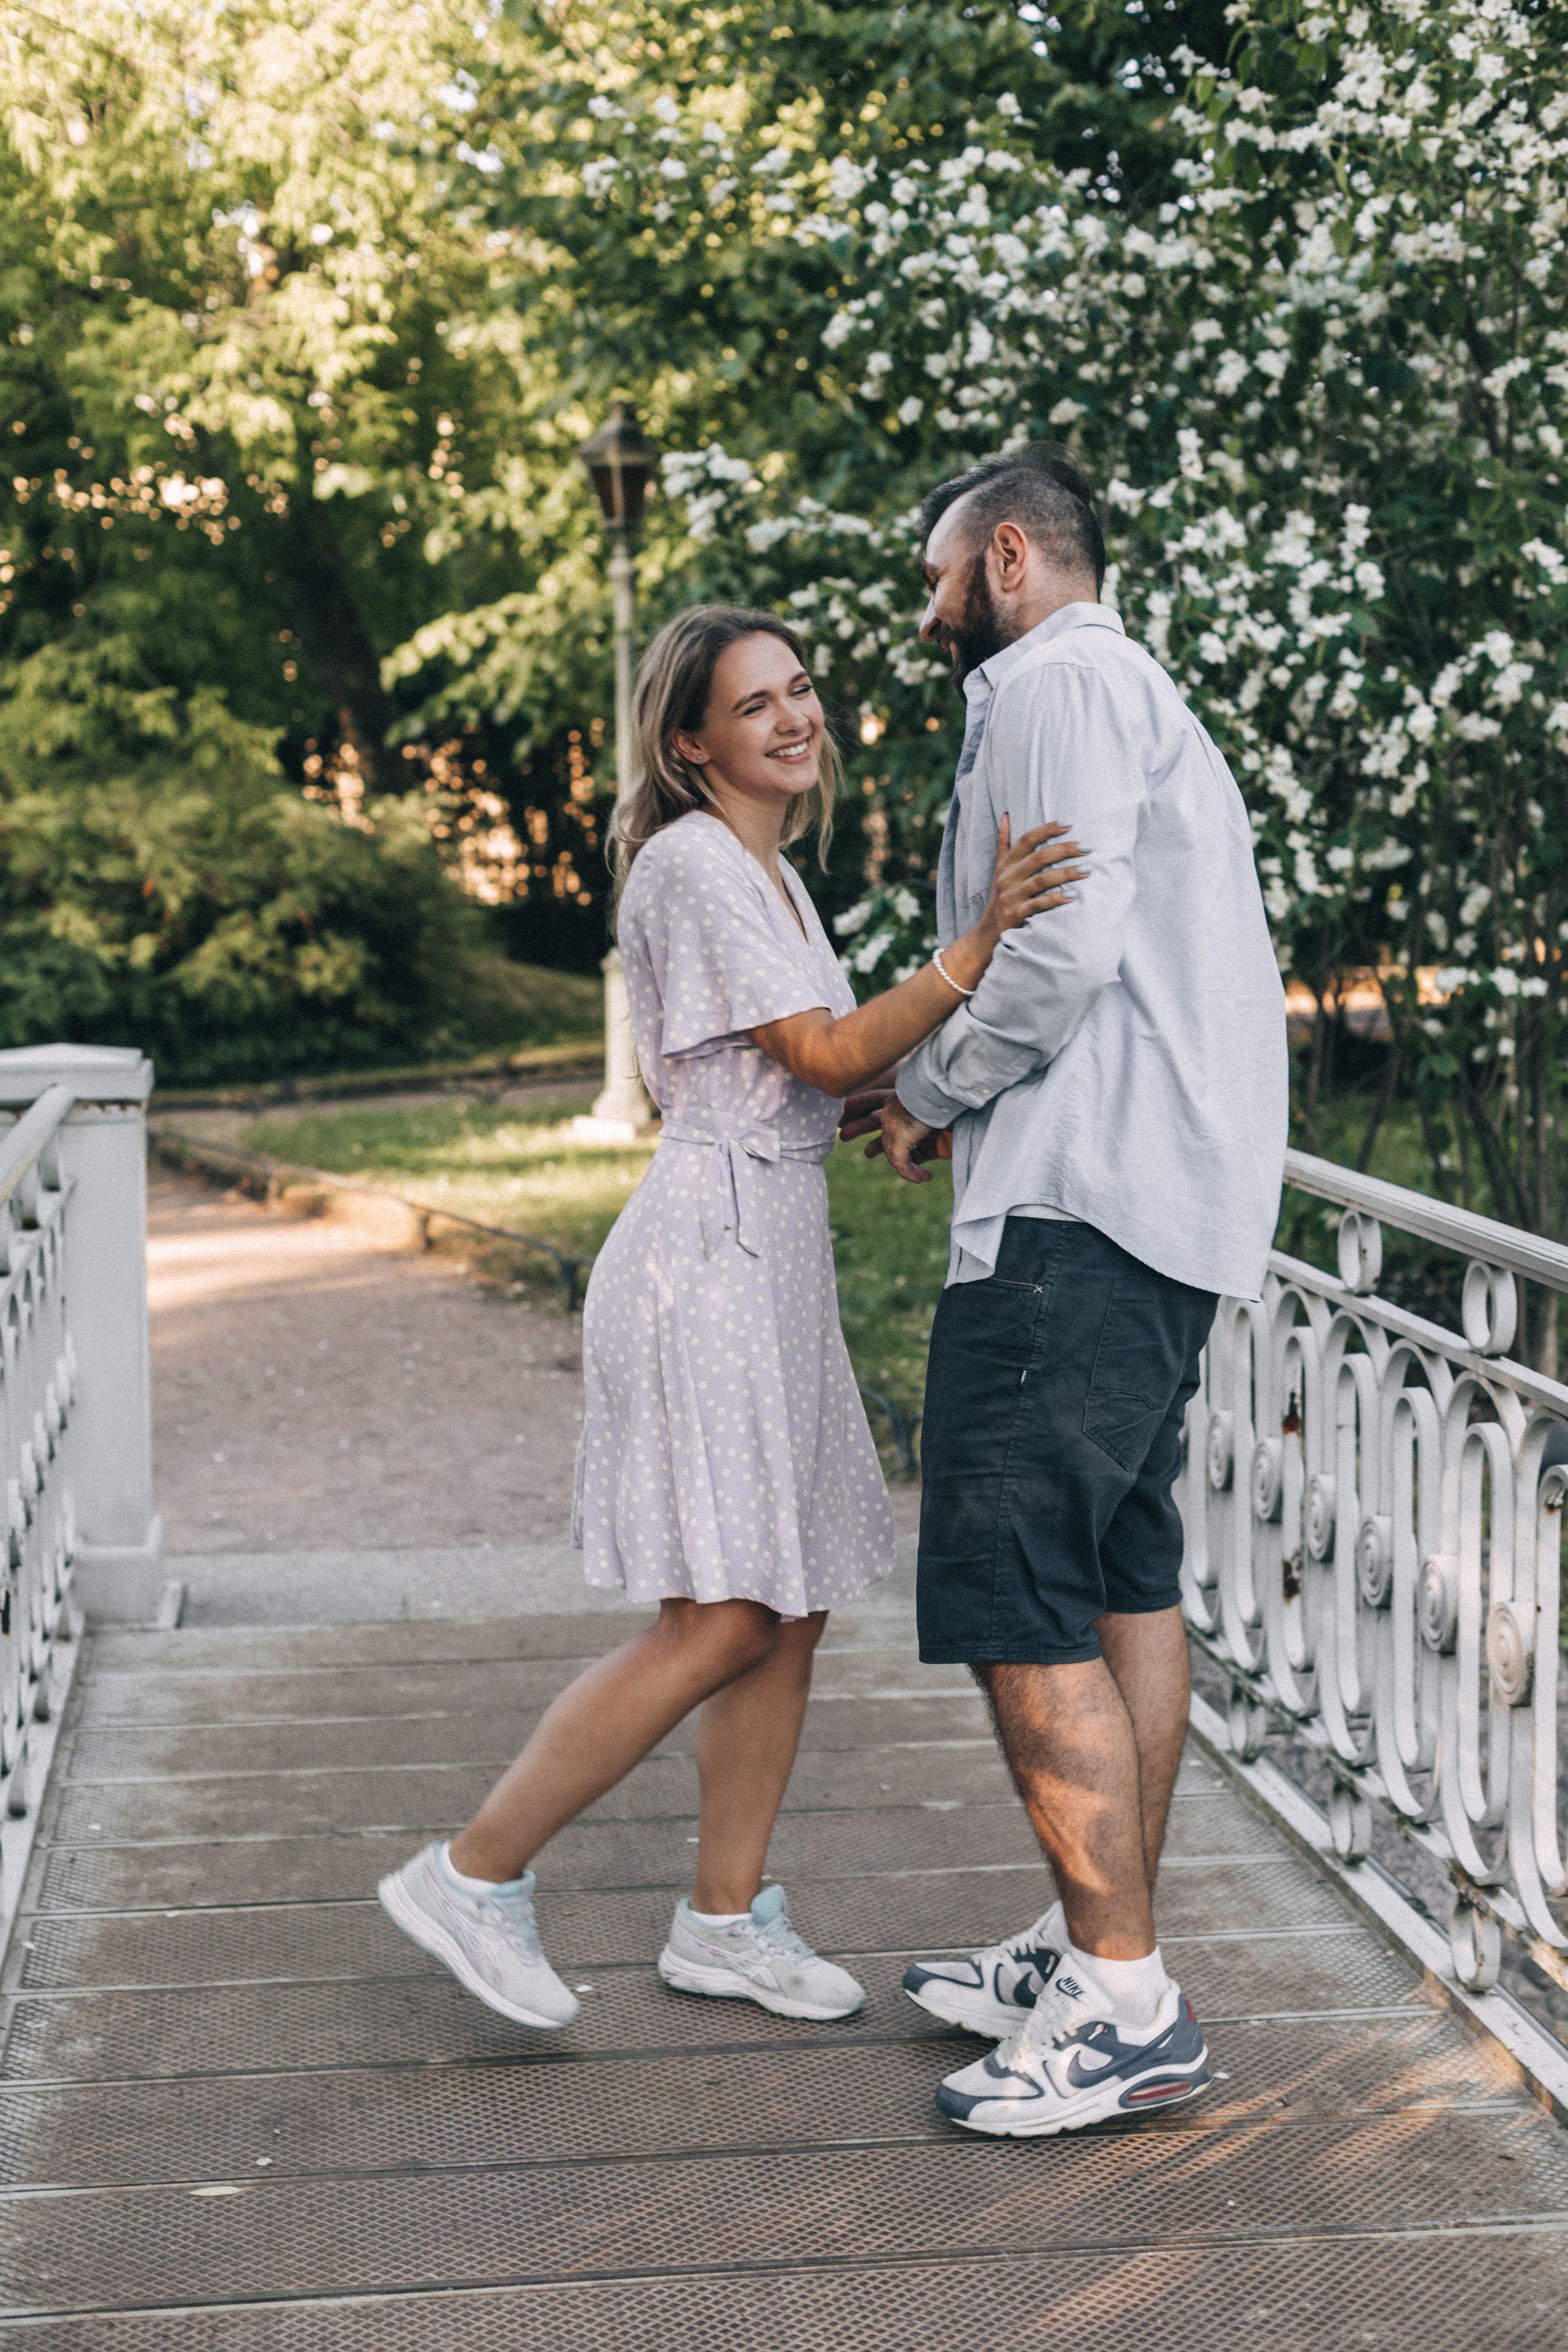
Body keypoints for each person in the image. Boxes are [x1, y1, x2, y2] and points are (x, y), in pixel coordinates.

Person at [379, 602, 1084, 2032]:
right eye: (755, 703)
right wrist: (979, 943)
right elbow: (815, 1047)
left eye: (802, 687)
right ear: (690, 741)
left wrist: (896, 1107)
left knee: (789, 1605)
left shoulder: (766, 872)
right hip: (706, 1255)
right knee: (721, 1615)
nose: (793, 716)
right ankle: (474, 1872)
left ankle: (722, 1920)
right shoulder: (695, 865)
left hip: (770, 1249)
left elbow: (810, 1078)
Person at [846, 447, 1287, 2136]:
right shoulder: (1124, 688)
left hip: (1077, 1208)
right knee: (1120, 1578)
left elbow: (1062, 951)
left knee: (1013, 1585)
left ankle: (1123, 1999)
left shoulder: (1053, 679)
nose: (929, 608)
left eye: (941, 573)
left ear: (1009, 558)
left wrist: (931, 1089)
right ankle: (1103, 1944)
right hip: (1162, 1209)